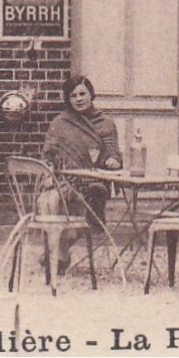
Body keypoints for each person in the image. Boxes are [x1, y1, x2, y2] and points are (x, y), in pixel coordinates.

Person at [39, 74, 121, 273]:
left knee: (79, 212)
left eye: (83, 93)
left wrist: (113, 160)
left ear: (91, 95)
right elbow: (48, 155)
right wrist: (48, 174)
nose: (79, 99)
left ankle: (57, 253)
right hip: (65, 179)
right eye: (73, 95)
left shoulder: (106, 123)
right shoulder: (60, 123)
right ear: (68, 99)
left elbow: (113, 152)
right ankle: (59, 254)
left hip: (94, 182)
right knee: (48, 200)